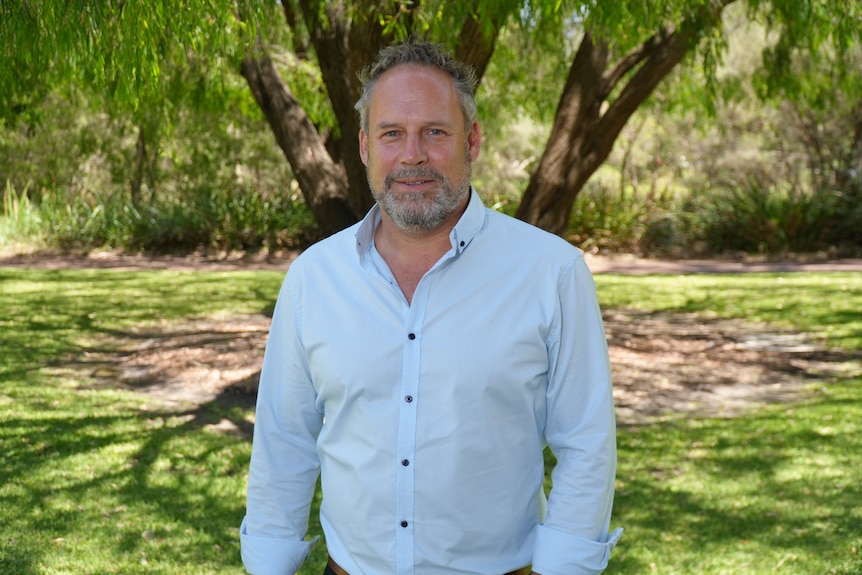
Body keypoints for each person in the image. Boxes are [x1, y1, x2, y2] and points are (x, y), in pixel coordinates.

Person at [240, 39, 622, 575]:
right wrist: (268, 563)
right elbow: (284, 441)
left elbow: (586, 444)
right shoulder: (313, 277)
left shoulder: (552, 272)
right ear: (366, 147)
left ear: (472, 140)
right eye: (391, 133)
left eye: (435, 132)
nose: (412, 154)